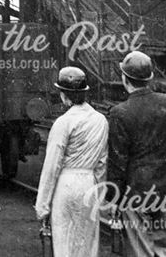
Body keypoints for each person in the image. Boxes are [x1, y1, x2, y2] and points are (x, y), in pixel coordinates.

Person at [107, 50, 166, 257]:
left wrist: (113, 198)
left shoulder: (119, 113)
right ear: (149, 79)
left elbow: (118, 163)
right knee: (163, 247)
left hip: (135, 191)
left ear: (125, 79)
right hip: (163, 187)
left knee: (141, 249)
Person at [34, 66, 108, 257]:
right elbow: (102, 163)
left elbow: (52, 166)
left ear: (64, 95)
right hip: (89, 184)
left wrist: (43, 206)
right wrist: (99, 195)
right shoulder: (101, 120)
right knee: (87, 244)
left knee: (64, 244)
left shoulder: (63, 123)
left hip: (65, 186)